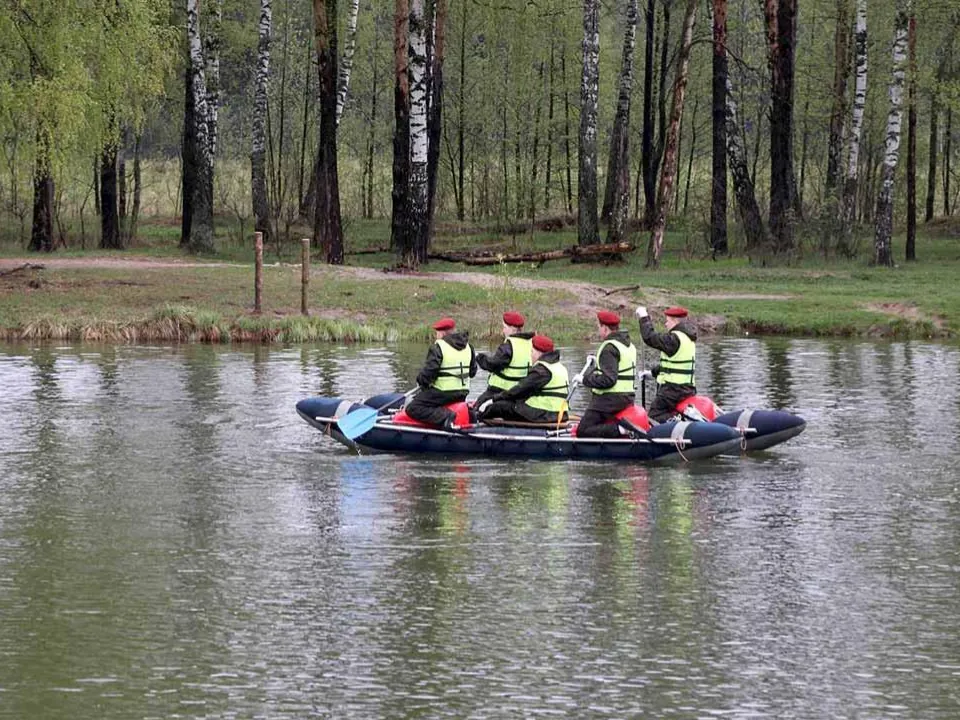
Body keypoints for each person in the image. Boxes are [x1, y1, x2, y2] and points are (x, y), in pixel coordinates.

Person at [576, 310, 644, 439]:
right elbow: (618, 368)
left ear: (605, 328)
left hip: (609, 400)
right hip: (627, 397)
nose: (598, 330)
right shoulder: (628, 345)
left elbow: (608, 380)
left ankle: (621, 429)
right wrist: (597, 362)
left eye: (599, 327)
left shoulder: (609, 347)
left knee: (583, 430)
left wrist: (584, 380)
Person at [405, 317, 478, 429]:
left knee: (413, 408)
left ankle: (445, 416)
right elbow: (473, 372)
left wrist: (421, 382)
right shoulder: (469, 347)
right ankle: (467, 413)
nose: (436, 335)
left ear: (442, 333)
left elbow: (429, 373)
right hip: (462, 393)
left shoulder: (438, 347)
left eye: (437, 332)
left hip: (443, 392)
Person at [479, 334, 569, 424]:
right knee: (512, 404)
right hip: (560, 414)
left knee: (498, 406)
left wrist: (493, 399)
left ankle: (476, 421)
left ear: (539, 352)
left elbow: (518, 390)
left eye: (532, 352)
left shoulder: (541, 371)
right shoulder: (559, 367)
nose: (531, 355)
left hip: (542, 414)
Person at [635, 305, 697, 423]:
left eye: (667, 321)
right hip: (687, 389)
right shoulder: (687, 337)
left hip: (673, 390)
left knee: (653, 417)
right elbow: (675, 365)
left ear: (674, 321)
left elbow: (650, 338)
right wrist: (652, 373)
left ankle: (680, 420)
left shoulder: (674, 338)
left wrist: (643, 317)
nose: (665, 324)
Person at [473, 311, 535, 410]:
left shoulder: (508, 346)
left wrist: (477, 357)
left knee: (476, 408)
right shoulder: (532, 343)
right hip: (522, 393)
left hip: (499, 391)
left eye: (504, 327)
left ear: (512, 329)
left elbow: (491, 365)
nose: (503, 330)